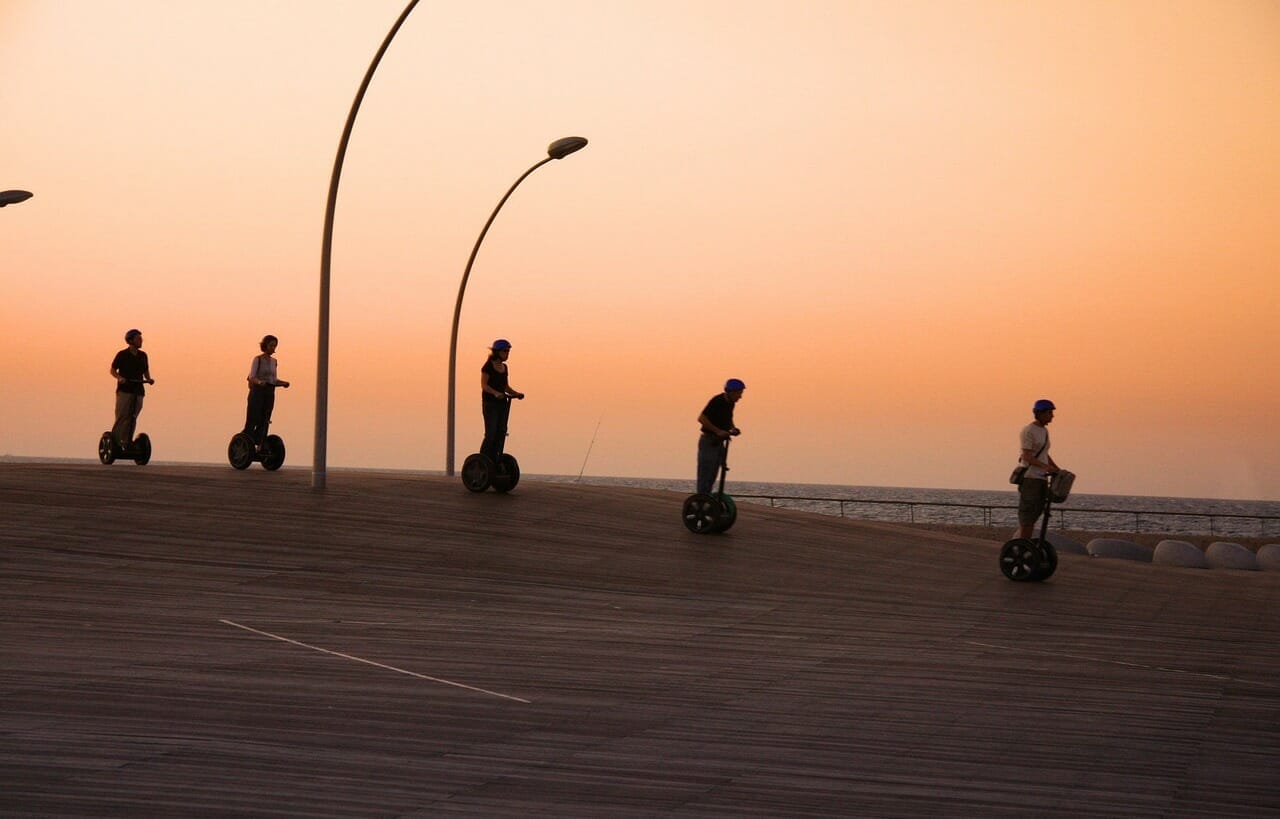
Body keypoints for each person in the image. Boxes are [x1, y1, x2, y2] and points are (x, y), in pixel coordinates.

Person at [1016, 398, 1062, 539]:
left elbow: (1044, 454)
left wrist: (1056, 469)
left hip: (1041, 477)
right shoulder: (1028, 431)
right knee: (1028, 514)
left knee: (1037, 512)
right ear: (1040, 413)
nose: (1052, 416)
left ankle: (1028, 544)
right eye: (1049, 413)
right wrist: (1046, 467)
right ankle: (1022, 544)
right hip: (1030, 478)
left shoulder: (1044, 431)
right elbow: (1027, 456)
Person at [696, 379, 745, 494]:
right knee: (706, 473)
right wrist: (717, 431)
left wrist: (732, 428)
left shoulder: (730, 403)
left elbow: (728, 419)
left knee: (714, 472)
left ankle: (707, 497)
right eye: (739, 393)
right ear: (731, 392)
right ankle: (701, 499)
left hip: (719, 442)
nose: (740, 397)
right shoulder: (717, 401)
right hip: (709, 441)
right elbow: (701, 418)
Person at [109, 329, 155, 449]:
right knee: (122, 416)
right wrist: (119, 378)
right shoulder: (122, 354)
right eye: (138, 338)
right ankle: (116, 442)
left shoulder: (143, 356)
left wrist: (149, 379)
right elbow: (112, 370)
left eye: (141, 339)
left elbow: (145, 370)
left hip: (138, 390)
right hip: (125, 390)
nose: (141, 341)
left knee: (133, 417)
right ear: (130, 340)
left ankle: (127, 442)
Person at [480, 339, 524, 463]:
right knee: (491, 433)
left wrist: (516, 394)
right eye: (505, 351)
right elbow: (484, 385)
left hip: (502, 403)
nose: (507, 354)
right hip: (490, 404)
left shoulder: (504, 367)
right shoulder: (488, 366)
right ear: (497, 352)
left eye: (508, 351)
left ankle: (495, 458)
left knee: (501, 432)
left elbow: (505, 387)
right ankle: (483, 459)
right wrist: (495, 393)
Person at [244, 335, 290, 445]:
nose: (273, 348)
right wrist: (259, 382)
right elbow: (252, 377)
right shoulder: (258, 359)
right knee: (254, 417)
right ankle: (246, 440)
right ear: (265, 346)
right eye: (271, 345)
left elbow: (273, 380)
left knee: (265, 419)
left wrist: (283, 383)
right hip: (258, 392)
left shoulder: (274, 361)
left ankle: (261, 441)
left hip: (269, 392)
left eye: (275, 346)